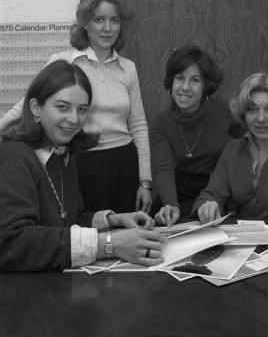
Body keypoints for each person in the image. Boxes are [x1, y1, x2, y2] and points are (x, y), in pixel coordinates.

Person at [0, 60, 165, 272]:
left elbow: (70, 220)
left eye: (82, 109)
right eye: (62, 107)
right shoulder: (14, 156)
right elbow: (11, 243)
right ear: (36, 108)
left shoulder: (64, 154)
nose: (74, 119)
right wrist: (108, 245)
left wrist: (114, 220)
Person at [0, 0, 152, 213]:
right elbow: (27, 106)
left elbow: (139, 126)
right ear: (85, 22)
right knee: (89, 233)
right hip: (81, 163)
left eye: (115, 20)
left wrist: (144, 181)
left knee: (125, 233)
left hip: (124, 163)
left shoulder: (128, 68)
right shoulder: (64, 62)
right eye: (99, 19)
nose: (108, 28)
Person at [193, 72, 268, 224]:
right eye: (253, 109)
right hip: (240, 242)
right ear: (244, 114)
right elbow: (211, 195)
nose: (261, 118)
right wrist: (208, 206)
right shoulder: (232, 151)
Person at [150, 45, 244, 227]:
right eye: (179, 78)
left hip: (215, 189)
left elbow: (249, 142)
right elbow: (164, 169)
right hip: (177, 192)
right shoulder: (161, 123)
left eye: (194, 80)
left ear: (205, 85)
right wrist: (170, 204)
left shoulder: (225, 110)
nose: (185, 87)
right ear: (171, 82)